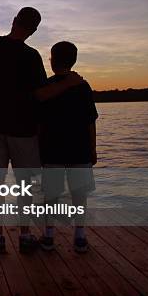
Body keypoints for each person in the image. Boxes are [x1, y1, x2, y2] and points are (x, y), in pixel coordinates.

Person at [0, 7, 84, 253]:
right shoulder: (32, 57)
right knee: (24, 185)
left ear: (14, 21)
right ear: (34, 30)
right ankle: (25, 236)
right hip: (24, 131)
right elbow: (40, 94)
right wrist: (69, 83)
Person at [38, 41, 98, 253]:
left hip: (52, 148)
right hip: (79, 147)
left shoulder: (47, 86)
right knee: (79, 194)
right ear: (73, 60)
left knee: (51, 195)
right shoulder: (83, 86)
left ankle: (49, 235)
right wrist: (93, 147)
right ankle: (80, 236)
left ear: (53, 60)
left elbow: (39, 120)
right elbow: (91, 120)